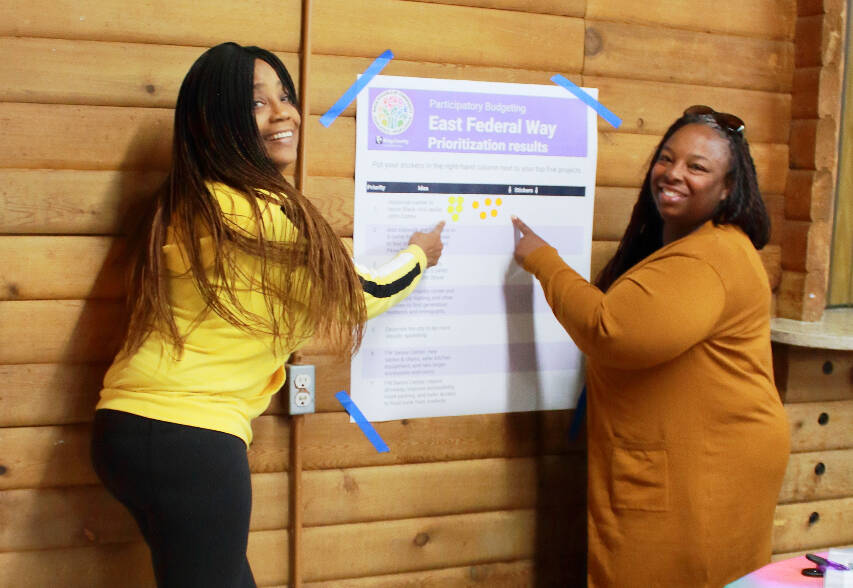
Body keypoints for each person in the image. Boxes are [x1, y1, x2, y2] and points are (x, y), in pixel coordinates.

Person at [90, 42, 444, 587]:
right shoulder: (260, 213)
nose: (284, 113)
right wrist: (420, 254)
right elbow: (358, 293)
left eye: (285, 95)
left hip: (131, 429)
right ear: (216, 122)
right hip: (191, 439)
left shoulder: (195, 201)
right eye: (257, 103)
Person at [512, 106, 790, 587]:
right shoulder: (701, 244)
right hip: (701, 455)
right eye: (666, 158)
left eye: (697, 167)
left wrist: (542, 260)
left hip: (704, 467)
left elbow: (613, 331)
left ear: (729, 188)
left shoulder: (709, 258)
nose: (674, 173)